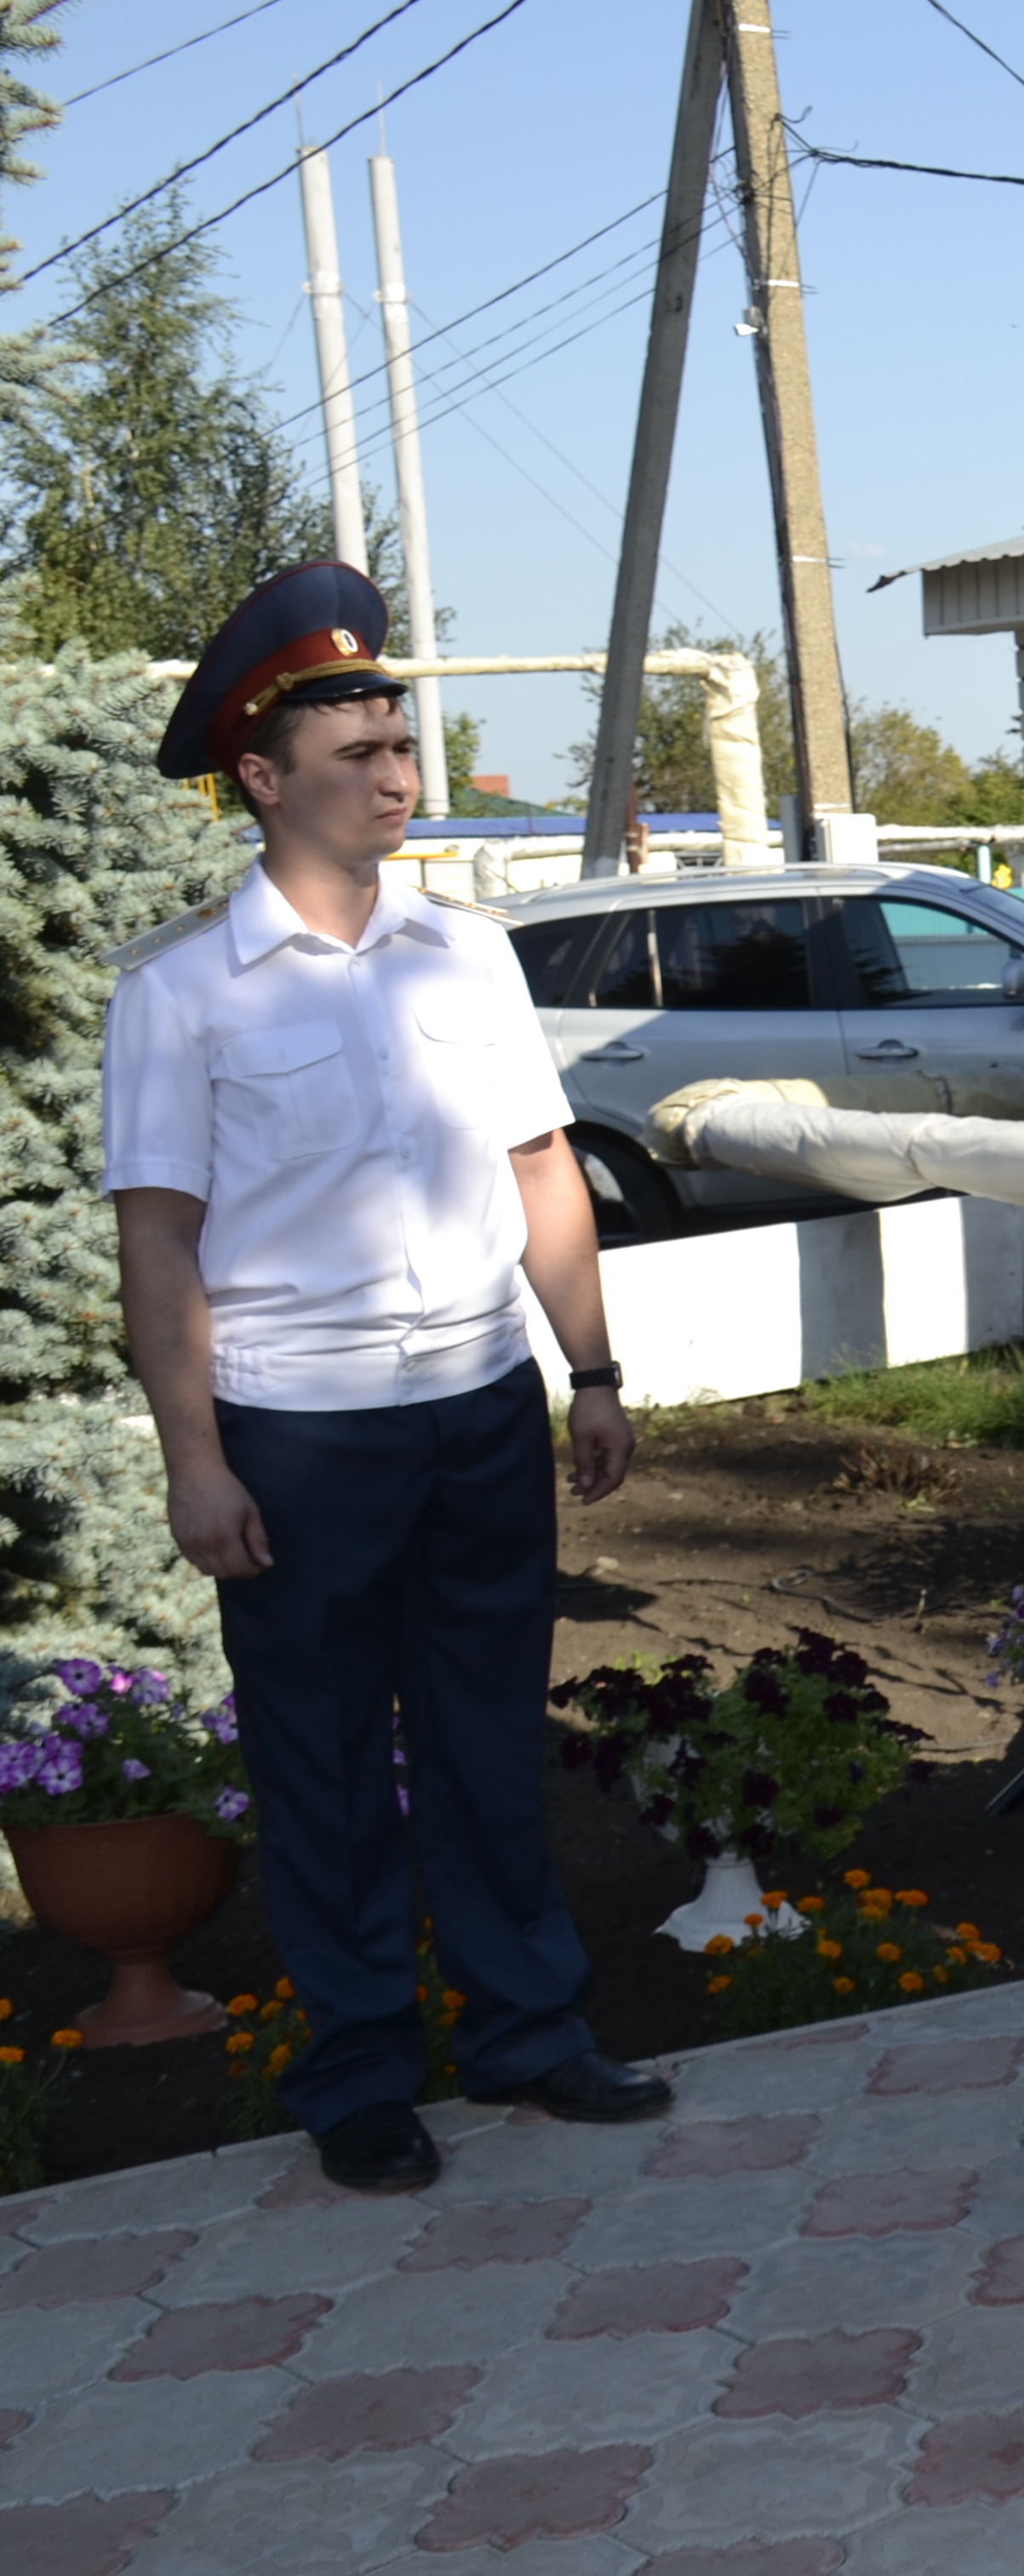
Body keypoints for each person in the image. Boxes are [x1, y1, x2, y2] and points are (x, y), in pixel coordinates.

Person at [108, 559, 666, 2194]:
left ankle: (529, 2033)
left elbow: (541, 1169)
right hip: (298, 1429)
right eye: (357, 752)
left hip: (479, 1407)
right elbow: (161, 1246)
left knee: (492, 1737)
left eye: (402, 744)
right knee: (329, 1755)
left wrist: (592, 1369)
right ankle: (359, 2069)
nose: (397, 775)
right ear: (262, 780)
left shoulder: (464, 955)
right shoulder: (181, 990)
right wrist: (195, 1459)